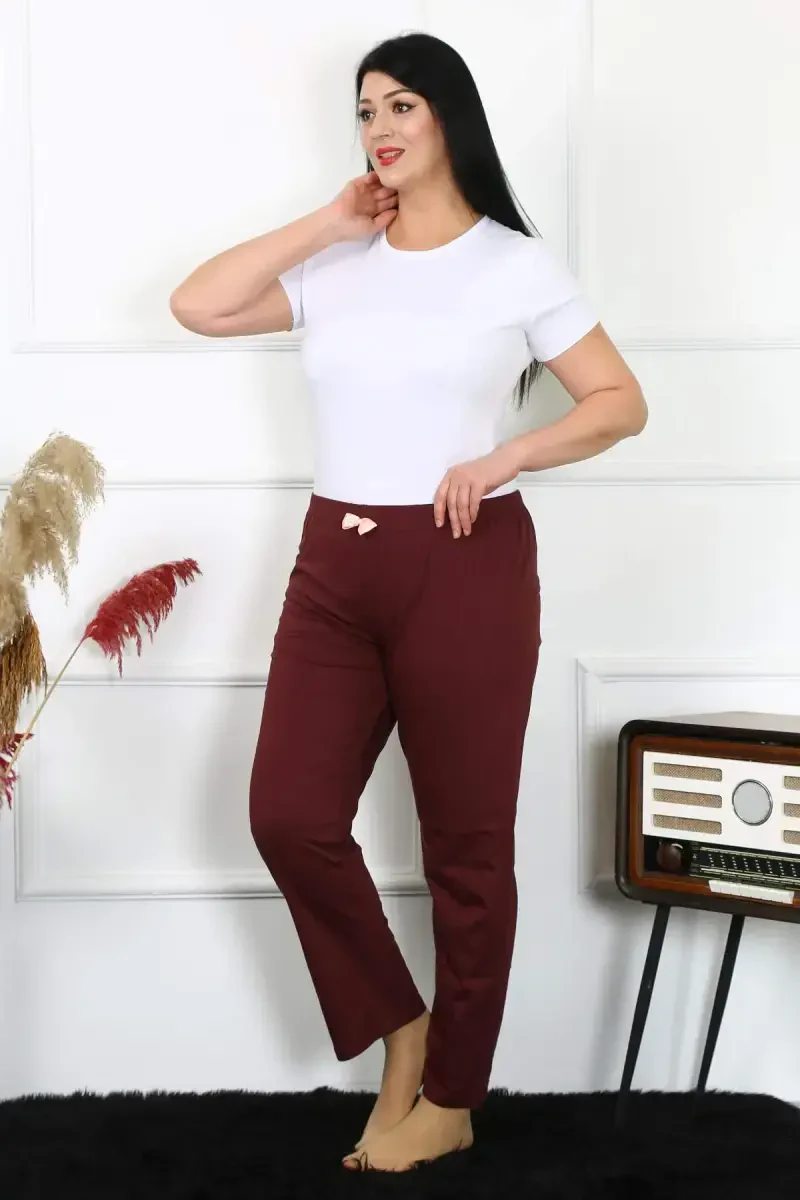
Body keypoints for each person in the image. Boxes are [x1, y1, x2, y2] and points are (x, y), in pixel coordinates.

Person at [169, 30, 647, 1174]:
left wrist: (507, 455)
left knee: (465, 849)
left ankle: (452, 1097)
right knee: (287, 812)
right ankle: (403, 1026)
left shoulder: (512, 267)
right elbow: (197, 305)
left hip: (463, 559)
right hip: (332, 568)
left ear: (448, 117)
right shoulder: (337, 261)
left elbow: (618, 401)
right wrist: (325, 225)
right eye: (364, 110)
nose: (378, 128)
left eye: (400, 106)